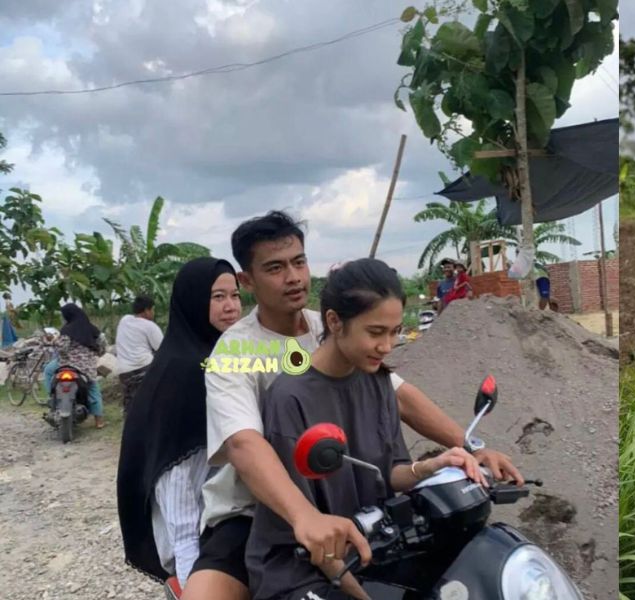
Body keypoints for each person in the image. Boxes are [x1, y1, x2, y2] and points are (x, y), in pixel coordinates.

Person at [186, 211, 522, 600]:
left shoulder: (332, 327)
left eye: (299, 262)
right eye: (275, 268)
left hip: (346, 497)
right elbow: (245, 444)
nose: (293, 277)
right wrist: (303, 515)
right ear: (247, 281)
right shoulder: (236, 352)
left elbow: (398, 394)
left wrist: (471, 448)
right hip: (256, 508)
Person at [247, 258, 489, 599]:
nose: (387, 346)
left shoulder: (378, 382)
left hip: (374, 551)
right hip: (304, 568)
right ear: (334, 321)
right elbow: (314, 535)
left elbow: (389, 473)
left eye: (394, 332)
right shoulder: (290, 398)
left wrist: (432, 467)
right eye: (375, 332)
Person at [118, 258, 242, 587]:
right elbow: (176, 488)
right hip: (196, 537)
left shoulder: (221, 355)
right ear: (194, 300)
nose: (231, 306)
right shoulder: (184, 371)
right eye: (218, 297)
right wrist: (191, 571)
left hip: (224, 520)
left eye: (235, 295)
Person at [55, 303, 106, 429]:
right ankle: (99, 421)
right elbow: (102, 346)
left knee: (48, 372)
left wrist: (56, 343)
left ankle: (52, 401)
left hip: (67, 365)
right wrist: (96, 353)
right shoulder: (92, 329)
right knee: (93, 389)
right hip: (87, 369)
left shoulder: (66, 329)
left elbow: (62, 348)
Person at [115, 294, 165, 410]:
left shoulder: (124, 320)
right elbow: (162, 349)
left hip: (124, 371)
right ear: (147, 310)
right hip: (144, 367)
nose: (153, 313)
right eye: (153, 309)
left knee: (130, 401)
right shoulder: (150, 326)